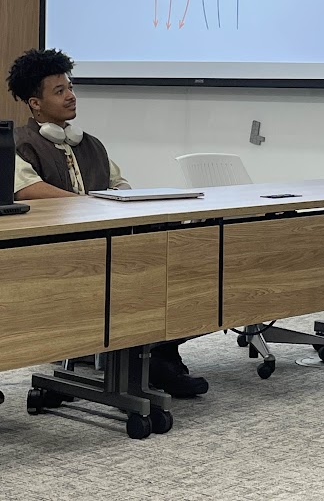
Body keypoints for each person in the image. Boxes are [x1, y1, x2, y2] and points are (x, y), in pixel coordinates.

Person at [7, 48, 209, 400]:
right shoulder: (20, 144)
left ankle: (160, 352)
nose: (70, 95)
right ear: (34, 103)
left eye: (70, 87)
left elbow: (120, 186)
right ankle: (149, 361)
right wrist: (90, 208)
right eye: (59, 91)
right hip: (61, 253)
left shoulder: (92, 144)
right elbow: (28, 190)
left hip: (112, 243)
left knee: (181, 267)